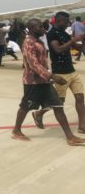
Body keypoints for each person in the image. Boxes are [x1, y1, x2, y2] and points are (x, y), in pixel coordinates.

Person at [11, 18, 84, 146]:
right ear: (33, 29)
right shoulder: (28, 42)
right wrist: (52, 76)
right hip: (32, 82)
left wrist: (49, 76)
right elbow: (33, 65)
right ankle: (16, 130)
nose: (43, 29)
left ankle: (70, 137)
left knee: (58, 106)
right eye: (40, 27)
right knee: (25, 107)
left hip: (44, 81)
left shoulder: (38, 41)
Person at [32, 12, 85, 133]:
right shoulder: (52, 34)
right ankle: (39, 113)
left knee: (80, 97)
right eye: (66, 22)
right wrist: (73, 41)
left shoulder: (64, 33)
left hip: (72, 71)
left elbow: (78, 48)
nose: (68, 24)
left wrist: (82, 40)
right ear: (58, 21)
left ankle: (82, 126)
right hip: (60, 73)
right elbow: (58, 49)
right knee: (59, 102)